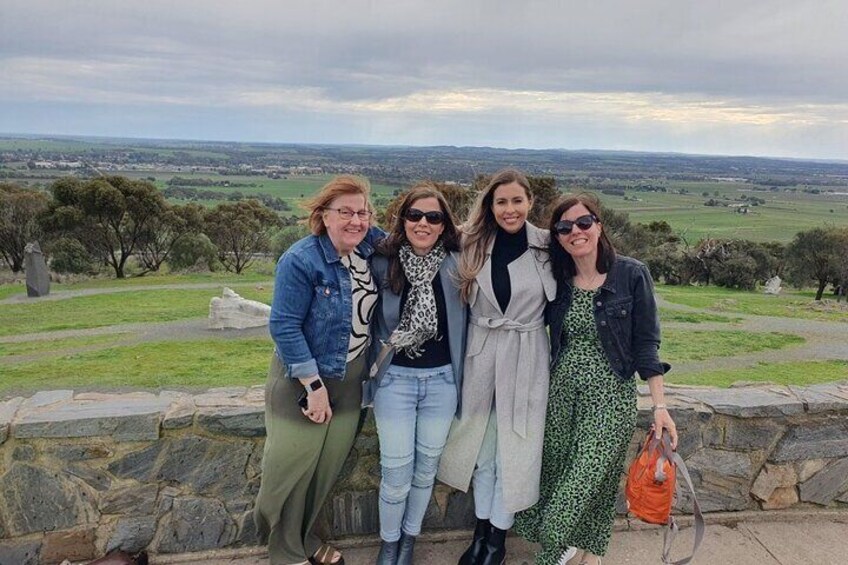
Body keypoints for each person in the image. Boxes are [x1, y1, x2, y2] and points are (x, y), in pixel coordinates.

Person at [513, 194, 678, 565]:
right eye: (564, 227)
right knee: (560, 474)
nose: (576, 231)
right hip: (561, 393)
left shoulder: (631, 274)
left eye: (584, 222)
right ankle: (588, 556)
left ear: (599, 226)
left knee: (583, 478)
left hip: (610, 397)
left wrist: (659, 406)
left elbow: (646, 344)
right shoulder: (558, 278)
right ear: (557, 237)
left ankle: (552, 553)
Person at [254, 175, 383, 565]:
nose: (355, 220)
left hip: (351, 380)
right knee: (291, 470)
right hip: (304, 381)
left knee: (324, 472)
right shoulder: (301, 259)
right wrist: (313, 386)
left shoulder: (369, 247)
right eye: (345, 212)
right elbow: (284, 326)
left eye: (362, 212)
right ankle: (285, 551)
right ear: (324, 216)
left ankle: (305, 538)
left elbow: (419, 237)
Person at [437, 169, 556, 565]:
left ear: (530, 202)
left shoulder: (548, 245)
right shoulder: (470, 242)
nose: (510, 209)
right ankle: (481, 534)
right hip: (482, 358)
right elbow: (417, 237)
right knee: (483, 452)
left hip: (527, 359)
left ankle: (497, 541)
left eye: (517, 201)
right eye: (501, 202)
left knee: (514, 453)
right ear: (490, 205)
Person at [368, 183, 468, 565]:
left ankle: (409, 539)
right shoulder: (383, 261)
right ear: (403, 219)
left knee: (425, 472)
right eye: (415, 215)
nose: (423, 223)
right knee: (395, 474)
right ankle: (389, 543)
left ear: (444, 225)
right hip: (394, 382)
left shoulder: (458, 264)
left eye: (433, 217)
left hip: (442, 383)